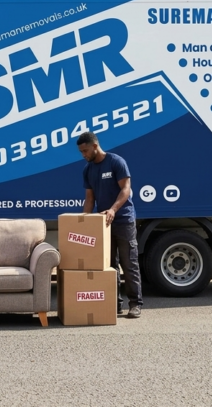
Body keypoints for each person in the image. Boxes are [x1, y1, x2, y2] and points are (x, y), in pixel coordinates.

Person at [77, 131, 142, 318]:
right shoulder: (88, 169)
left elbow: (126, 189)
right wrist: (84, 221)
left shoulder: (116, 162)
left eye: (86, 150)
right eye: (81, 152)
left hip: (123, 220)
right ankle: (114, 304)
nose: (84, 155)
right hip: (103, 224)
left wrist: (113, 209)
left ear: (95, 146)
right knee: (109, 265)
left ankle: (135, 304)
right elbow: (90, 198)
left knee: (129, 263)